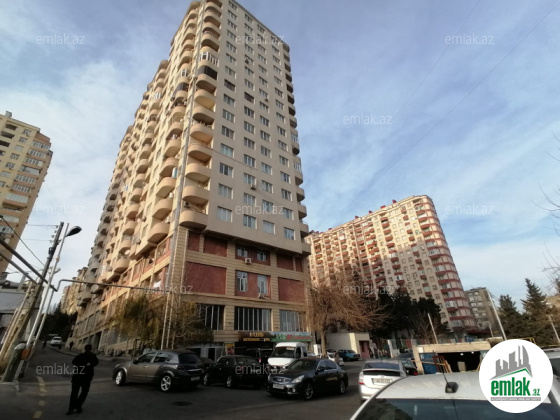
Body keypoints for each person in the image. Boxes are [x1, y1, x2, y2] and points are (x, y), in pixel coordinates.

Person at [67, 344, 98, 415]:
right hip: (83, 377)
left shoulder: (83, 356)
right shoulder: (89, 356)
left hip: (80, 377)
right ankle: (75, 406)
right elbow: (74, 362)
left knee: (77, 393)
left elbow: (95, 362)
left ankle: (73, 407)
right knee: (80, 393)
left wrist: (90, 364)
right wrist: (86, 364)